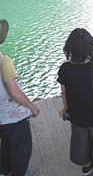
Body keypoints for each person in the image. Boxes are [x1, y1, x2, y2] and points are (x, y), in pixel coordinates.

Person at [57, 28, 93, 176]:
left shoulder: (65, 69)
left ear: (70, 47)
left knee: (81, 140)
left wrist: (67, 109)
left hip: (77, 114)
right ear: (91, 46)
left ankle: (87, 165)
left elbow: (63, 92)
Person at [0, 19, 41, 176]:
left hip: (1, 119)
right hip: (14, 118)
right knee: (21, 150)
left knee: (6, 146)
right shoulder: (5, 62)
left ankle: (4, 172)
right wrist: (33, 107)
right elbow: (14, 92)